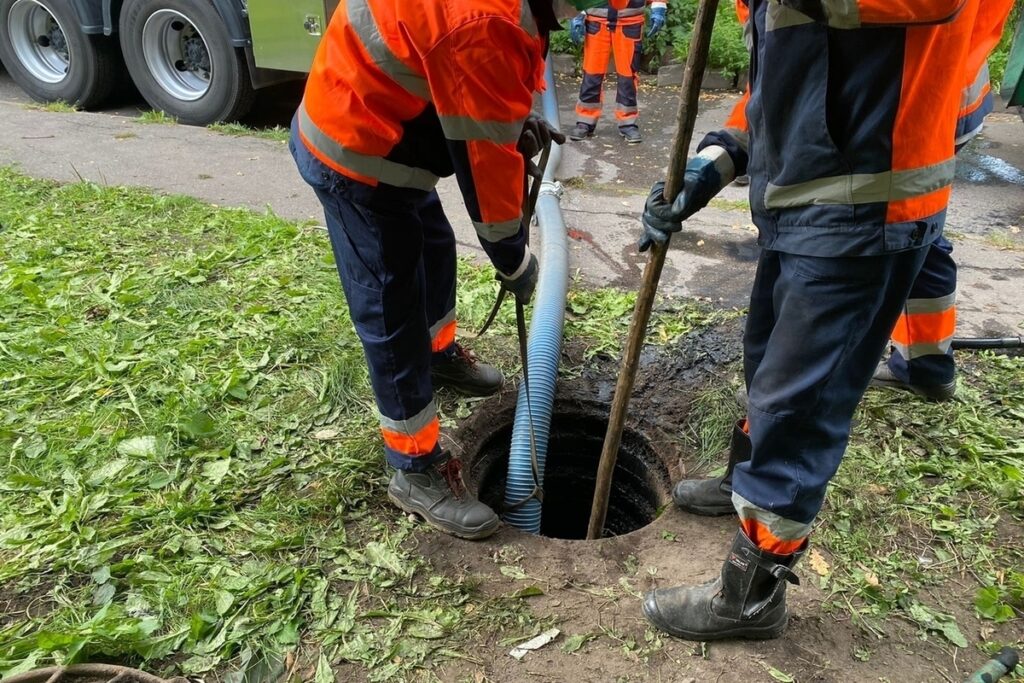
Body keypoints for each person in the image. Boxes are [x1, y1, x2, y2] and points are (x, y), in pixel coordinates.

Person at [636, 0, 1013, 641]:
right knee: (769, 360)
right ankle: (743, 485)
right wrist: (712, 162)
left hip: (864, 207)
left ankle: (751, 596)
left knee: (799, 403)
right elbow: (780, 80)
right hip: (803, 201)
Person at [289, 0, 577, 540]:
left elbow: (464, 79)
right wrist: (515, 261)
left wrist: (513, 120)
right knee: (391, 304)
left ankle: (439, 356)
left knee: (434, 244)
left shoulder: (504, 12)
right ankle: (413, 468)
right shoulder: (490, 20)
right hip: (355, 151)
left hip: (389, 133)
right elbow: (488, 178)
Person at [871, 0, 1014, 401]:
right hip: (942, 88)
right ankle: (925, 365)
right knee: (915, 227)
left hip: (920, 100)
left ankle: (919, 367)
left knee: (901, 229)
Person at [567, 0, 667, 143]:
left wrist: (659, 8)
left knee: (628, 76)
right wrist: (577, 12)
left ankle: (628, 123)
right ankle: (585, 120)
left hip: (630, 22)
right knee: (591, 73)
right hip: (596, 22)